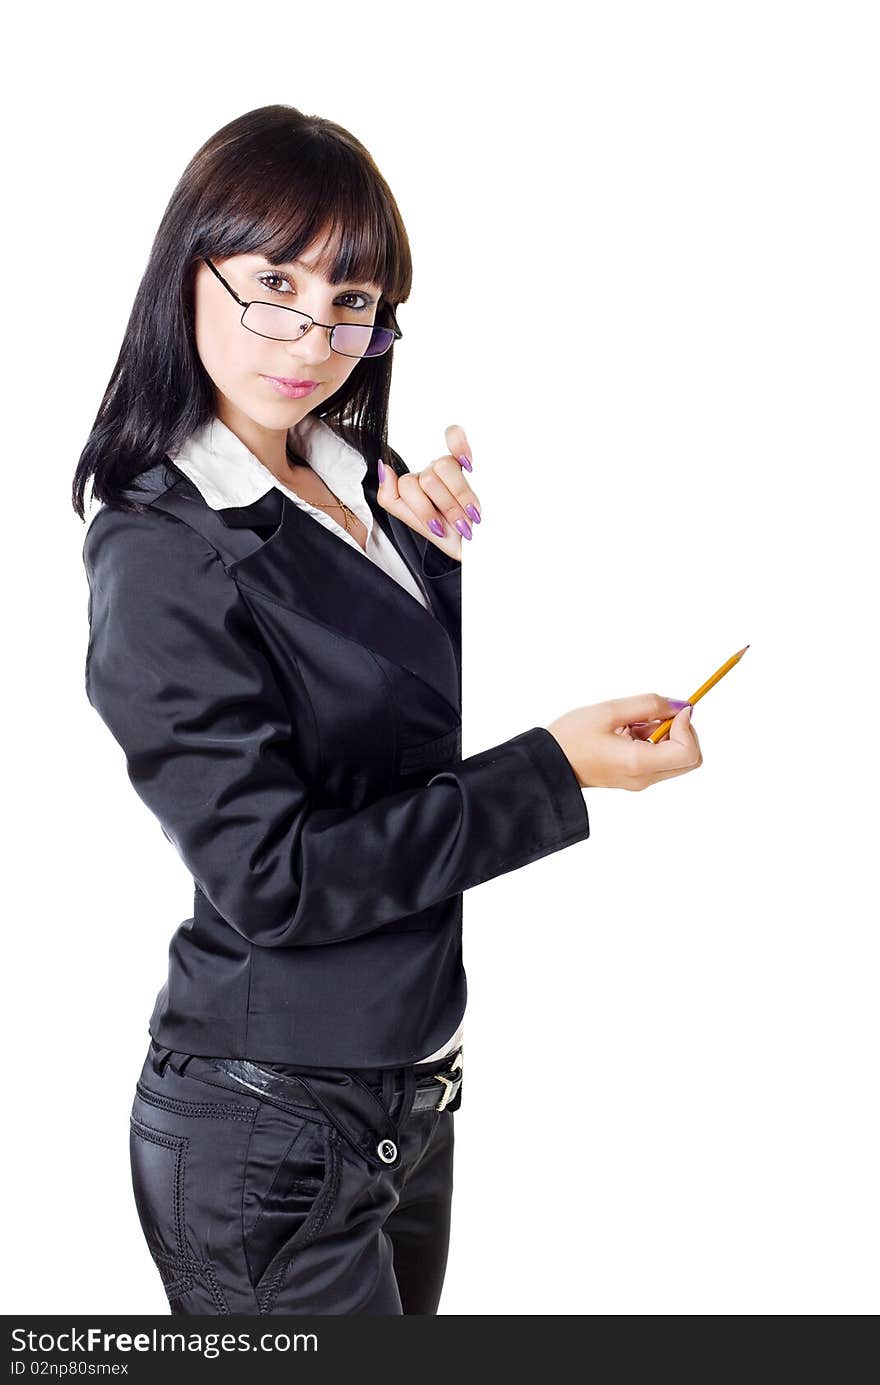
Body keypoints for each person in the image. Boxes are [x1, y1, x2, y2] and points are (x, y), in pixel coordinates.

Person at [74, 104, 702, 1317]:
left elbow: (379, 754)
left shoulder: (352, 472)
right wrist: (555, 774)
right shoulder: (158, 548)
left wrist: (416, 559)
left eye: (352, 300)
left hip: (404, 1101)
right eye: (272, 284)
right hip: (264, 1128)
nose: (311, 335)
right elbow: (276, 875)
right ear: (186, 272)